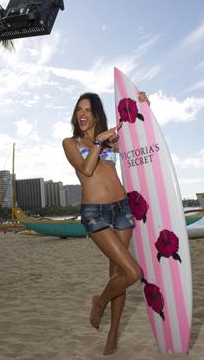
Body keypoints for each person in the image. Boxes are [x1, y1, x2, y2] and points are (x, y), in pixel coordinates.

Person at [62, 91, 148, 355]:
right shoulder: (70, 142)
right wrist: (98, 141)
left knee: (118, 274)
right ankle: (99, 301)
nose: (82, 114)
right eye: (79, 110)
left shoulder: (112, 142)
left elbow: (141, 141)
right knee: (133, 273)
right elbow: (86, 170)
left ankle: (113, 332)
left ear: (97, 114)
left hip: (122, 208)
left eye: (87, 110)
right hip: (95, 213)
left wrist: (143, 106)